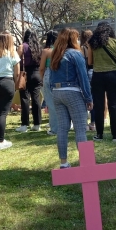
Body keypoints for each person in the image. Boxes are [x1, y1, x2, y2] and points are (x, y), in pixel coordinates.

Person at [49, 28, 93, 169]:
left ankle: (64, 163)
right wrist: (88, 98)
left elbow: (51, 78)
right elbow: (83, 77)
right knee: (80, 128)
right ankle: (86, 165)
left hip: (57, 92)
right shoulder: (75, 54)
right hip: (72, 92)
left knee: (63, 128)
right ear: (74, 39)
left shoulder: (55, 54)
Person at [87, 23, 116, 141]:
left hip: (97, 75)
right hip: (112, 74)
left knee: (98, 105)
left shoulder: (92, 43)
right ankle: (115, 135)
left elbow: (90, 62)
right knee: (113, 105)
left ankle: (99, 135)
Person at [17, 29, 43, 132]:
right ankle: (37, 124)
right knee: (36, 99)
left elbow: (15, 60)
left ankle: (24, 124)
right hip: (37, 74)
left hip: (25, 74)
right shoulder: (39, 47)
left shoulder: (22, 46)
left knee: (25, 98)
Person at [39, 30, 59, 135]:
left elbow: (42, 68)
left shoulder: (46, 51)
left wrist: (41, 79)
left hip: (48, 74)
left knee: (51, 102)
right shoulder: (62, 50)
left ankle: (55, 128)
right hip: (61, 75)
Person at [80, 29, 95, 131]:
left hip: (85, 73)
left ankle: (84, 123)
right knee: (93, 98)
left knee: (84, 98)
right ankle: (93, 123)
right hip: (94, 72)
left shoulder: (82, 48)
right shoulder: (95, 46)